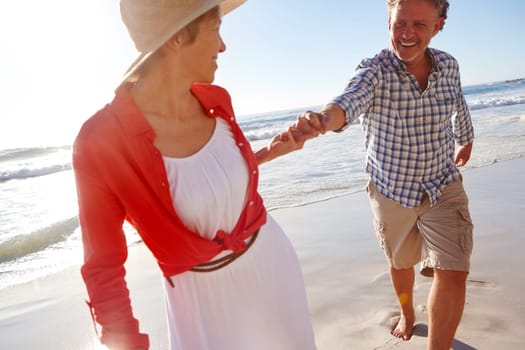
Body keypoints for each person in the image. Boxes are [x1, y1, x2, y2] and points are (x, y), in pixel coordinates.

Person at [72, 1, 316, 349]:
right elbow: (103, 269)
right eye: (216, 29)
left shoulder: (217, 100)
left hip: (272, 265)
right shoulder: (100, 141)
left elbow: (204, 179)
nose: (223, 45)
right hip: (203, 305)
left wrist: (268, 153)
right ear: (176, 38)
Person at [295, 0, 474, 349]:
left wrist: (466, 139)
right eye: (399, 24)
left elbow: (459, 102)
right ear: (388, 23)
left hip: (442, 182)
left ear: (438, 26)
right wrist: (321, 120)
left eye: (419, 25)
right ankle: (408, 313)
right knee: (401, 263)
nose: (407, 34)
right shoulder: (375, 71)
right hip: (393, 191)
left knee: (454, 269)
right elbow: (347, 102)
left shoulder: (449, 65)